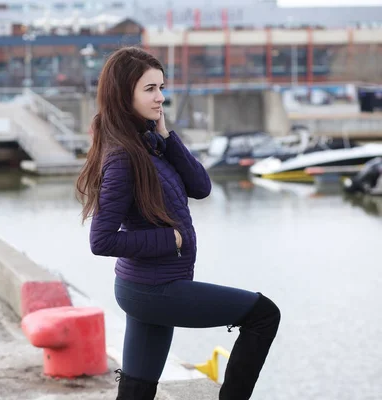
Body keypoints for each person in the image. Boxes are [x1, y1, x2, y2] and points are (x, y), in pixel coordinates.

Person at [76, 46, 281, 400]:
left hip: (146, 287)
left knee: (138, 389)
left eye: (162, 87)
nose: (161, 98)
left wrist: (167, 138)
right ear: (124, 95)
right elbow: (102, 240)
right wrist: (169, 240)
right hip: (153, 289)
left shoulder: (148, 143)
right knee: (263, 315)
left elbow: (201, 187)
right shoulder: (123, 156)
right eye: (150, 89)